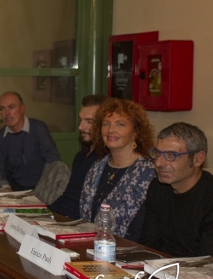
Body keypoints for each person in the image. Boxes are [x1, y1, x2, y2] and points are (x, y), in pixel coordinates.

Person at [79, 98, 156, 242]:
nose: (111, 130)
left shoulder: (147, 173)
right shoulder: (96, 167)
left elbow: (142, 231)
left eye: (120, 124)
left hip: (128, 248)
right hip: (90, 244)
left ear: (136, 132)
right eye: (106, 124)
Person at [140, 123, 213, 256]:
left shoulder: (208, 198)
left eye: (171, 155)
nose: (159, 163)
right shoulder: (158, 187)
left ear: (198, 159)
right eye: (157, 154)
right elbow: (149, 245)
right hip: (162, 266)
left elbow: (207, 262)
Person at [49, 94, 108, 219]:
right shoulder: (80, 157)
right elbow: (68, 198)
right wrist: (41, 214)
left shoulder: (105, 161)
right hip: (63, 219)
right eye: (81, 120)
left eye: (89, 121)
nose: (81, 127)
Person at [0, 91, 61, 191]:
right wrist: (8, 191)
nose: (6, 113)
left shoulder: (38, 129)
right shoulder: (0, 137)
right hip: (15, 192)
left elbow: (53, 160)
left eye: (11, 107)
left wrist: (43, 190)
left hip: (43, 189)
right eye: (2, 109)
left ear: (22, 109)